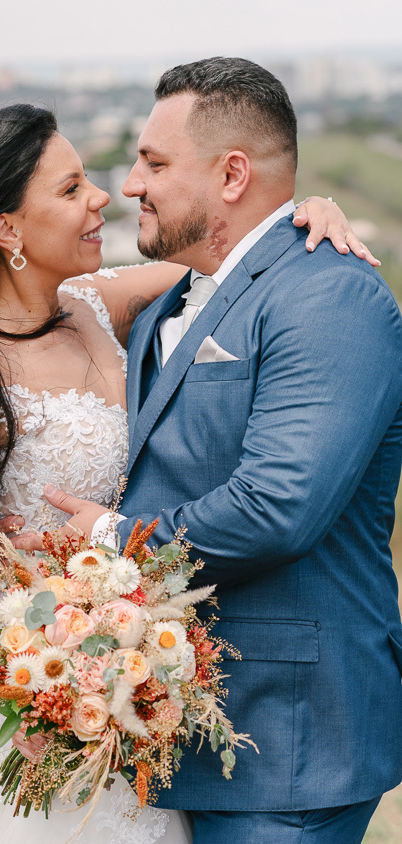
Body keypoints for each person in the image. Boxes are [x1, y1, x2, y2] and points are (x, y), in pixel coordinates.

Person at [0, 101, 368, 844]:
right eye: (70, 190)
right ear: (7, 230)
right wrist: (21, 676)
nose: (102, 195)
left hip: (130, 706)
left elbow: (237, 259)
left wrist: (303, 213)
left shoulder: (101, 305)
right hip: (32, 710)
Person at [42, 57, 402, 844]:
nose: (129, 183)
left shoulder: (329, 294)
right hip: (173, 726)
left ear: (232, 174)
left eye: (155, 162)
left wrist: (107, 542)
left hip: (285, 736)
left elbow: (276, 508)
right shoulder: (168, 295)